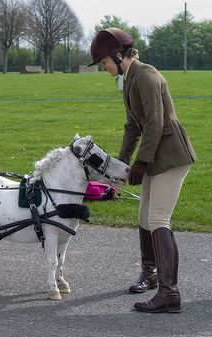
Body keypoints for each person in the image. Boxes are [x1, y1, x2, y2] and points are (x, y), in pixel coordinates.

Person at [89, 28, 197, 313]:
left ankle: (169, 293)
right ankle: (150, 274)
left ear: (118, 55)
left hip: (171, 155)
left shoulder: (146, 76)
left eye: (104, 62)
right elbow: (133, 126)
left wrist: (141, 162)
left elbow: (155, 123)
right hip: (156, 155)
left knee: (159, 218)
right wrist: (120, 165)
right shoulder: (129, 79)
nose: (104, 68)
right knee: (145, 216)